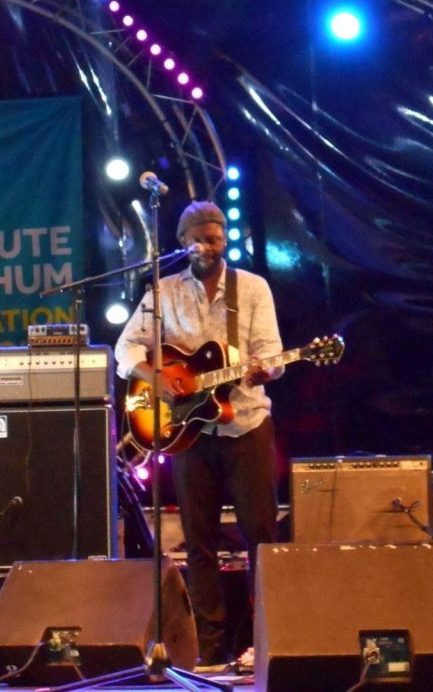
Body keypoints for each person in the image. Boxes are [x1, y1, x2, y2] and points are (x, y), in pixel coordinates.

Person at [115, 199, 284, 668]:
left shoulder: (252, 288)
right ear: (182, 243)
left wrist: (267, 370)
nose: (210, 246)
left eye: (216, 238)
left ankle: (264, 641)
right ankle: (210, 646)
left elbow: (271, 354)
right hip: (188, 432)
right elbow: (126, 348)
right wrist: (155, 378)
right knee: (198, 541)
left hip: (246, 424)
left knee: (261, 535)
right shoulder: (163, 292)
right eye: (200, 239)